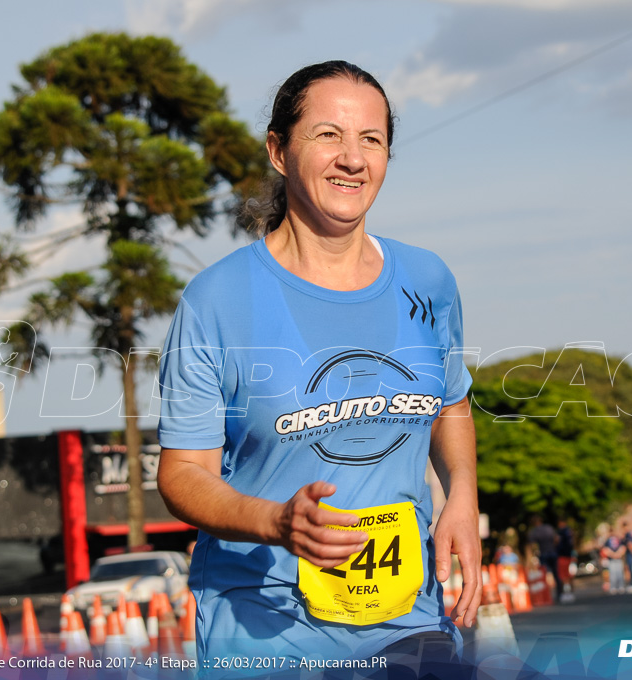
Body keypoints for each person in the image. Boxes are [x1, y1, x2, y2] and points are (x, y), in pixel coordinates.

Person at [156, 61, 481, 675]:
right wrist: (276, 521)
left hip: (407, 618)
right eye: (328, 135)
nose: (352, 159)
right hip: (267, 624)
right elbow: (182, 473)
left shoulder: (428, 280)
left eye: (371, 140)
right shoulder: (217, 299)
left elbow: (449, 404)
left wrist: (461, 497)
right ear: (279, 150)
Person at [527, 516, 561, 602]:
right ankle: (560, 593)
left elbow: (532, 544)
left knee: (545, 575)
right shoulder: (549, 528)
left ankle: (548, 595)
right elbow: (557, 539)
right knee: (556, 573)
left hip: (543, 554)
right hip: (553, 552)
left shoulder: (535, 531)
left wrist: (533, 556)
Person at [604, 530, 627, 594]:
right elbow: (605, 550)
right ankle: (613, 587)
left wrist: (618, 554)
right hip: (611, 560)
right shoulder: (608, 541)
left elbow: (623, 547)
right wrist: (613, 555)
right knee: (612, 575)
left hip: (618, 559)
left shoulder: (619, 540)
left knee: (620, 574)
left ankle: (621, 586)